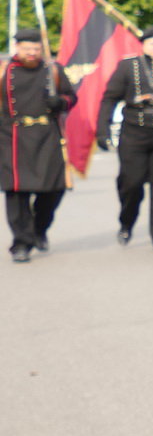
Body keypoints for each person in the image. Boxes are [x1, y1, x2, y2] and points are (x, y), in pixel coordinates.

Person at [96, 26, 153, 251]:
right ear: (144, 46)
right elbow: (110, 98)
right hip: (134, 134)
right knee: (131, 183)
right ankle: (126, 221)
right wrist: (102, 130)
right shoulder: (127, 66)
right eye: (152, 44)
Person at [3, 28, 78, 261]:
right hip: (12, 136)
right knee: (17, 192)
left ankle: (39, 229)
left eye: (36, 49)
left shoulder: (53, 69)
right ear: (17, 48)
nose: (32, 53)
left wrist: (60, 102)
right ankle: (21, 244)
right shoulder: (3, 70)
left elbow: (72, 97)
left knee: (55, 188)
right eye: (27, 49)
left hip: (47, 134)